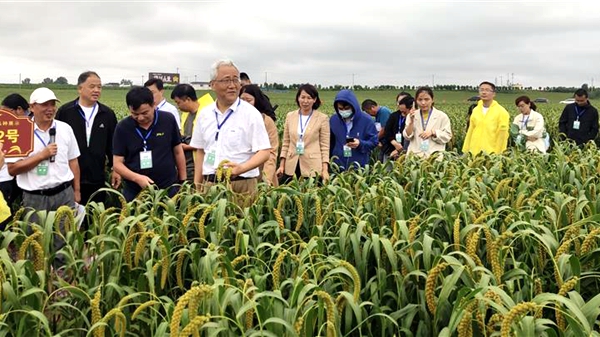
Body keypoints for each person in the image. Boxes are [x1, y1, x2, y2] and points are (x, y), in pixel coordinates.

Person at [6, 88, 81, 269]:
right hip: (35, 198)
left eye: (52, 104)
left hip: (64, 193)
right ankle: (39, 279)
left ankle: (62, 280)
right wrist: (41, 155)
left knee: (64, 239)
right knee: (36, 241)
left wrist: (77, 191)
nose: (50, 108)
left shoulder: (64, 129)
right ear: (32, 107)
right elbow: (13, 169)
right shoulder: (18, 131)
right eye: (44, 105)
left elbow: (74, 162)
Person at [190, 59, 270, 205]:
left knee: (242, 226)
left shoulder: (251, 114)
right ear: (213, 84)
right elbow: (201, 151)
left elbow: (264, 152)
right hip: (210, 184)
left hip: (242, 185)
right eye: (226, 80)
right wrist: (198, 185)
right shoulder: (205, 114)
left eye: (235, 80)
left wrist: (241, 168)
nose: (232, 86)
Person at [55, 71, 120, 207]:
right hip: (69, 177)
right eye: (92, 86)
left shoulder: (107, 113)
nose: (96, 90)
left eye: (99, 87)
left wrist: (115, 168)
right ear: (80, 88)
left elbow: (113, 145)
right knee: (72, 218)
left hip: (97, 177)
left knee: (95, 217)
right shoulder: (66, 112)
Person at [112, 87, 186, 201]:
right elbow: (117, 164)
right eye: (135, 114)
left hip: (168, 187)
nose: (140, 118)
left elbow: (177, 151)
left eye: (145, 113)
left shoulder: (167, 120)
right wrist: (137, 178)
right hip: (135, 190)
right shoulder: (123, 127)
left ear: (154, 105)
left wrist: (182, 181)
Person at [277, 84, 330, 183]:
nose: (305, 101)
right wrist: (281, 165)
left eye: (309, 98)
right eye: (303, 97)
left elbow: (325, 146)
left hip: (312, 167)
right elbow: (286, 143)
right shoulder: (290, 116)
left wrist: (325, 169)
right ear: (298, 98)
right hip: (291, 165)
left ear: (314, 100)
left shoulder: (322, 118)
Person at [170, 84, 215, 184]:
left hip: (201, 164)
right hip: (187, 164)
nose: (178, 106)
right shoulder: (185, 115)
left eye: (178, 102)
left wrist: (187, 147)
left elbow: (210, 141)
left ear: (187, 99)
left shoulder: (207, 114)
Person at [239, 84, 280, 186]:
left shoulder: (266, 121)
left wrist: (266, 181)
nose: (244, 104)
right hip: (237, 175)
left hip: (261, 174)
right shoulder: (233, 119)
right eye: (241, 100)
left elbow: (271, 153)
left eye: (248, 100)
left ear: (257, 101)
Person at [329, 89, 378, 171]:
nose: (343, 111)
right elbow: (329, 142)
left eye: (347, 108)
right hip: (338, 167)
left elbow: (374, 142)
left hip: (358, 167)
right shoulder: (333, 120)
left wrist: (360, 143)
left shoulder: (367, 120)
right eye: (340, 109)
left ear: (353, 106)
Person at [462, 81, 510, 155]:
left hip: (491, 154)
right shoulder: (476, 110)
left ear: (494, 94)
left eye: (487, 90)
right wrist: (466, 150)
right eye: (481, 90)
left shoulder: (501, 112)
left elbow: (502, 136)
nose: (484, 92)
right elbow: (470, 131)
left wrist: (498, 154)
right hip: (474, 152)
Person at [0, 93, 30, 211]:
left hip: (21, 177)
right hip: (5, 177)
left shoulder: (31, 126)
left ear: (18, 110)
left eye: (6, 112)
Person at [382, 94, 414, 160]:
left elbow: (409, 138)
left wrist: (399, 150)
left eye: (405, 112)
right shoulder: (394, 116)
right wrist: (395, 143)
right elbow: (387, 131)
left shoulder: (413, 119)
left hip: (406, 152)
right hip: (390, 150)